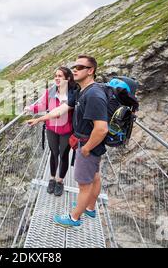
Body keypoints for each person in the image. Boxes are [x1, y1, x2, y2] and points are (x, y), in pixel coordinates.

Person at [28, 55, 108, 227]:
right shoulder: (82, 91)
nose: (75, 70)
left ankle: (74, 218)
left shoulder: (93, 94)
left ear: (90, 70)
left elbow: (101, 128)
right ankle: (89, 207)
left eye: (79, 67)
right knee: (94, 177)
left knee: (84, 184)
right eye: (74, 67)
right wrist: (39, 119)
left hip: (87, 144)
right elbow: (59, 110)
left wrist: (86, 148)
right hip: (87, 143)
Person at [25, 67, 76, 196]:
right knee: (54, 153)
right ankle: (52, 179)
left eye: (60, 76)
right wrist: (31, 108)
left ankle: (60, 181)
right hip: (51, 129)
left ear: (67, 78)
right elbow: (42, 105)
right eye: (55, 76)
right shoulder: (50, 92)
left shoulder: (73, 94)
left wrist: (39, 119)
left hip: (66, 130)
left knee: (63, 155)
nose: (57, 78)